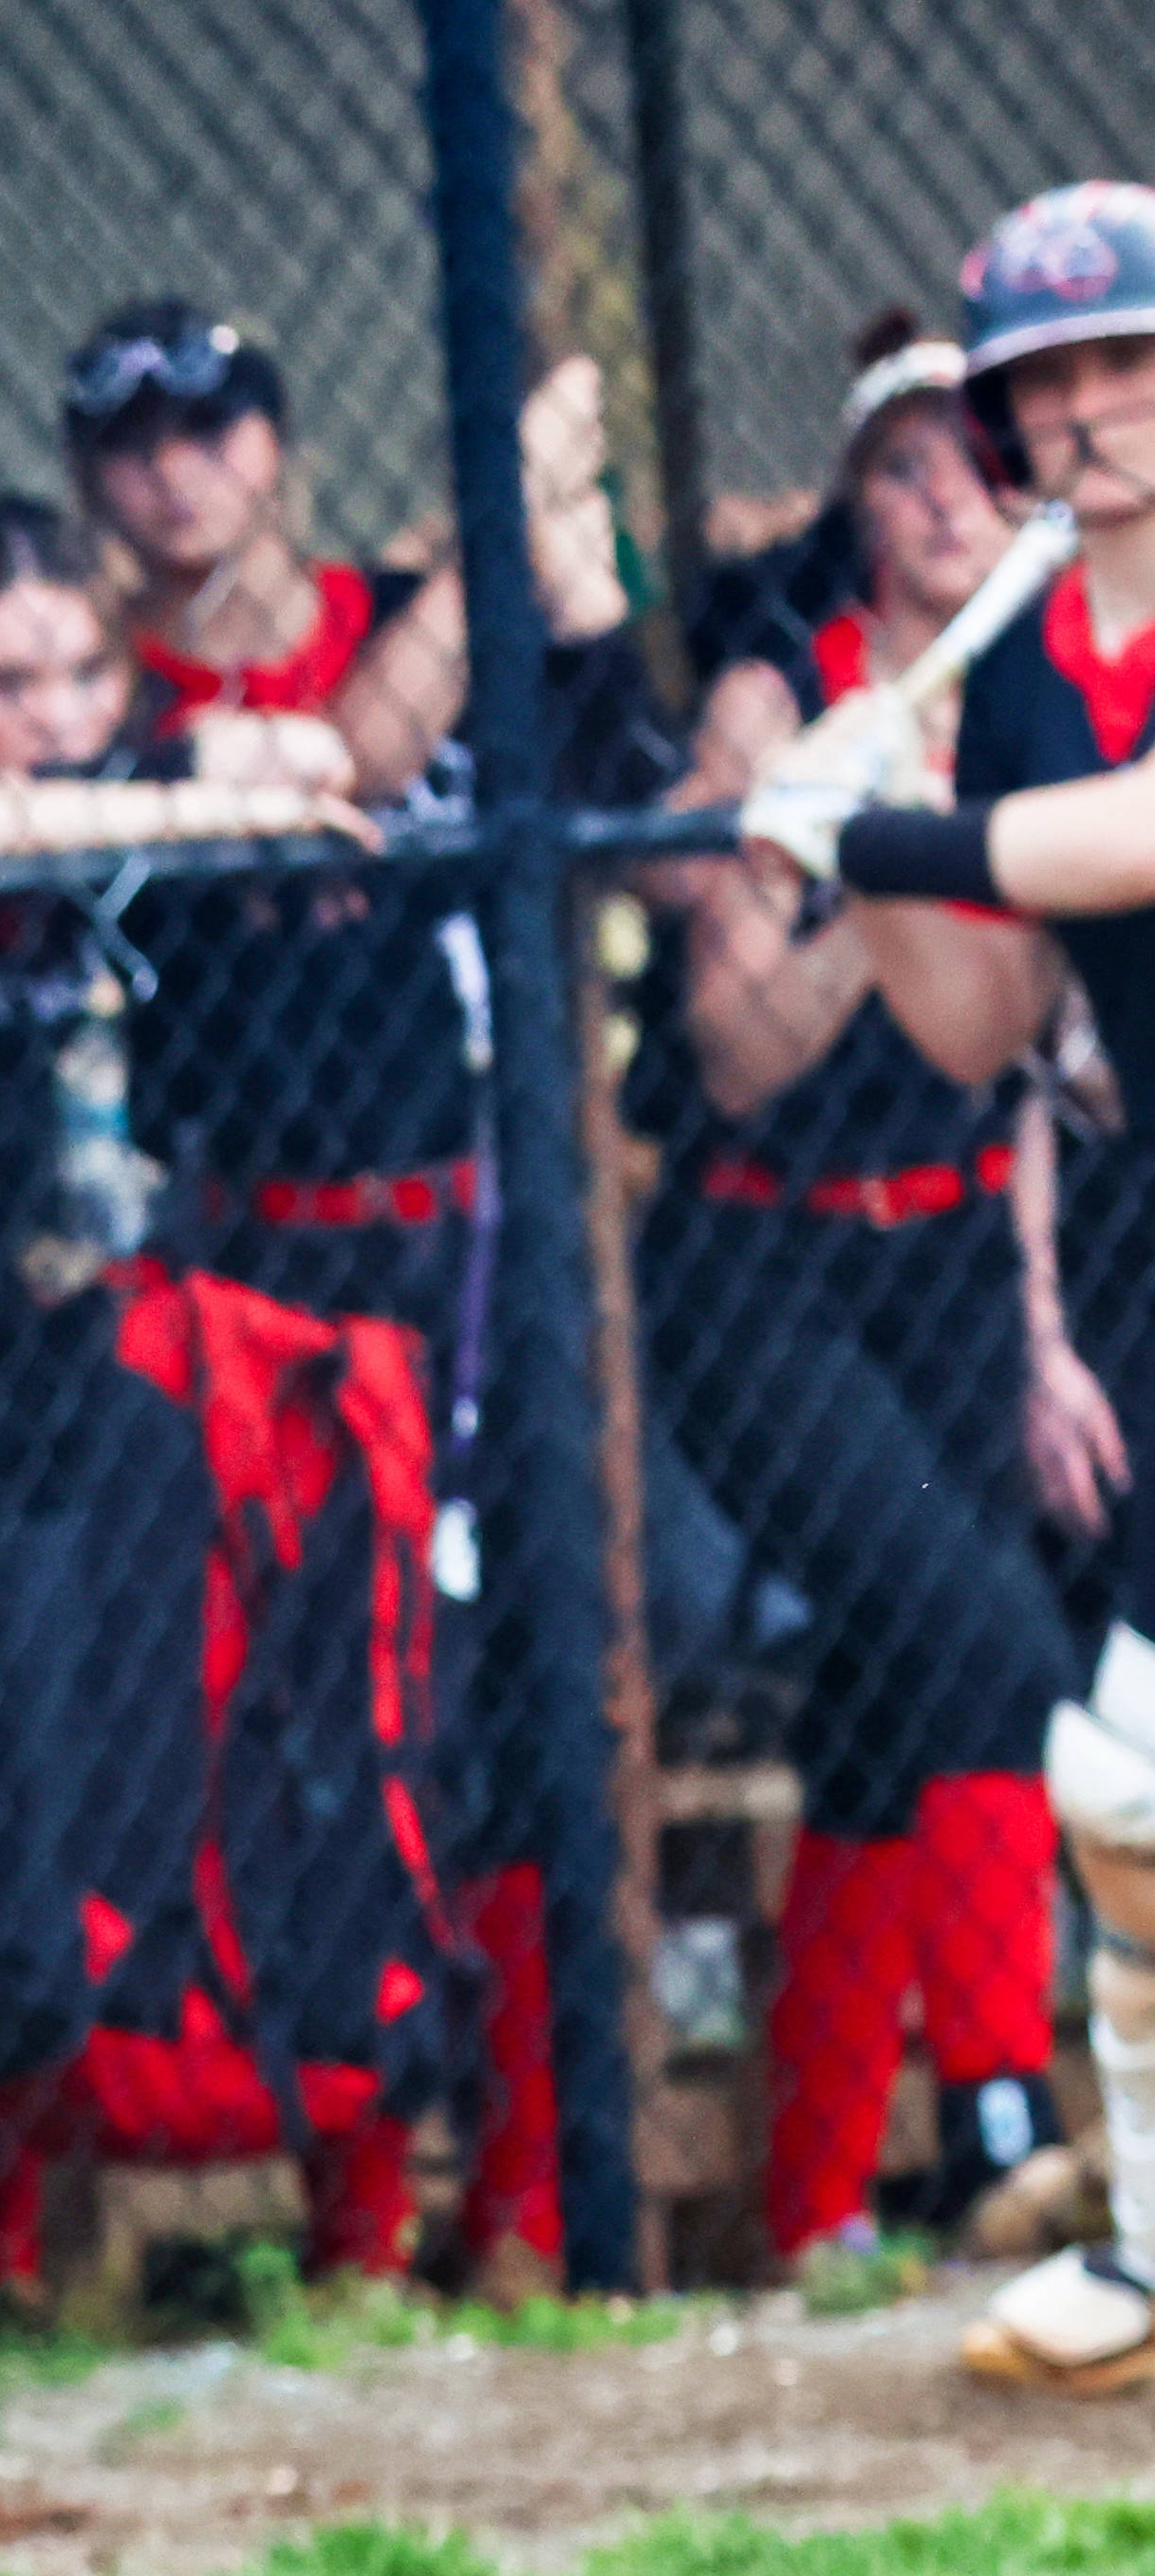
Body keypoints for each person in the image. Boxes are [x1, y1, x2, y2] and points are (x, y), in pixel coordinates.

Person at [65, 296, 668, 2292]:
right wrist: (499, 504)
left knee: (517, 1699)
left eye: (211, 426)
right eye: (134, 441)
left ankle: (528, 2202)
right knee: (321, 1719)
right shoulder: (114, 693)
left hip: (472, 1245)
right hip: (253, 1260)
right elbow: (347, 755)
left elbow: (626, 788)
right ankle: (353, 2214)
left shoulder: (398, 605)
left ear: (275, 442)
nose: (178, 470)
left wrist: (553, 571)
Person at [0, 500, 401, 2315]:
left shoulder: (140, 763)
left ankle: (346, 2214)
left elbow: (314, 758)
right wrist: (162, 807)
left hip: (135, 1383)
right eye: (3, 681)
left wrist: (147, 788)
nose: (53, 715)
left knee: (228, 1772)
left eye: (82, 673)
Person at [774, 183, 1155, 2388]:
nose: (1091, 411)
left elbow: (1134, 834)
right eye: (1050, 383)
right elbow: (979, 1018)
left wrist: (876, 834)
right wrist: (858, 830)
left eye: (1125, 366)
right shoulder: (1012, 666)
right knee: (1124, 1775)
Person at [653, 328, 1071, 2274]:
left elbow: (1034, 1059)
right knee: (986, 1648)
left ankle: (812, 2203)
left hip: (961, 1250)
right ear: (851, 499)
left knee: (887, 1709)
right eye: (900, 469)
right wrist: (862, 849)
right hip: (768, 1259)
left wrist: (1044, 1329)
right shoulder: (783, 689)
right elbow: (737, 1053)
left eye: (975, 465)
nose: (941, 505)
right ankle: (998, 2125)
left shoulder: (1047, 689)